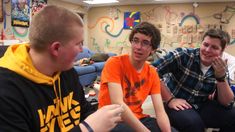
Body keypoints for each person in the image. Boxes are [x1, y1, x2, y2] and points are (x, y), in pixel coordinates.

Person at [0, 5, 124, 131]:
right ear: (56, 48)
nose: (82, 49)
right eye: (78, 43)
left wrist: (101, 118)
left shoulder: (66, 71)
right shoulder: (6, 92)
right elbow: (87, 126)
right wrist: (87, 128)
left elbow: (83, 111)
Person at [152, 28, 235, 131]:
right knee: (194, 125)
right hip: (176, 103)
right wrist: (170, 99)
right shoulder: (183, 55)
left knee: (232, 116)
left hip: (200, 104)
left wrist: (220, 78)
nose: (207, 50)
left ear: (221, 51)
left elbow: (227, 102)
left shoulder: (220, 66)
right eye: (205, 44)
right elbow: (151, 71)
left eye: (214, 47)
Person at [98, 22, 171, 132]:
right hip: (113, 120)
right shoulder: (114, 63)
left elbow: (160, 112)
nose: (138, 47)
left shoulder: (152, 73)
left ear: (153, 50)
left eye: (145, 43)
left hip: (138, 118)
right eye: (135, 40)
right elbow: (118, 105)